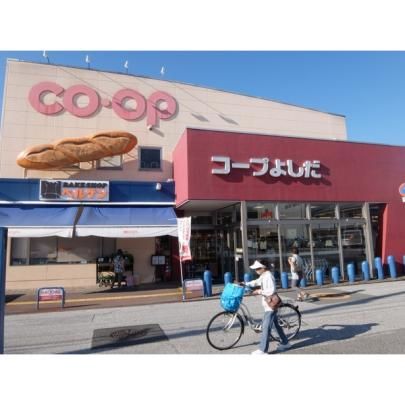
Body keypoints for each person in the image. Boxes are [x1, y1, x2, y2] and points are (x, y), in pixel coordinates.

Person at [244, 260, 291, 355]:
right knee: (276, 325)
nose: (256, 270)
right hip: (268, 305)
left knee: (266, 327)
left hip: (271, 306)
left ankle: (263, 350)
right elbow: (256, 282)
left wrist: (259, 291)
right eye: (256, 269)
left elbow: (271, 290)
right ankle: (285, 343)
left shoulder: (268, 276)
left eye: (258, 268)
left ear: (263, 268)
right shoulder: (264, 275)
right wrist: (245, 283)